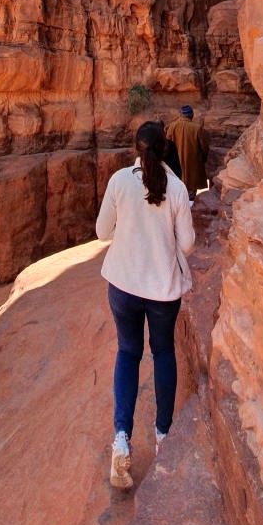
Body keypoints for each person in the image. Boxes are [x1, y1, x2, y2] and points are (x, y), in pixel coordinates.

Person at [96, 120, 195, 489]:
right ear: (165, 148)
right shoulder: (179, 188)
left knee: (127, 352)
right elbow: (186, 245)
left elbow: (102, 232)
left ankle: (121, 438)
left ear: (136, 148)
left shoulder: (119, 181)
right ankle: (163, 437)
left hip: (123, 285)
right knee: (163, 354)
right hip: (162, 290)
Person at [165, 105, 209, 200]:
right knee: (191, 195)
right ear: (192, 115)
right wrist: (203, 158)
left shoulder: (173, 126)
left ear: (181, 115)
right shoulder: (197, 128)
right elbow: (204, 147)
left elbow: (166, 143)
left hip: (176, 166)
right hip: (193, 166)